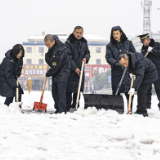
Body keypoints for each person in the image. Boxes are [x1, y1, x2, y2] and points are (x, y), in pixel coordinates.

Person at [118, 52, 158, 117]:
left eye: (125, 63)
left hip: (150, 74)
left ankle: (143, 111)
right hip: (144, 74)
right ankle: (139, 109)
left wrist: (134, 88)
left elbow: (140, 75)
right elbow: (131, 67)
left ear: (127, 58)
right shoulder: (130, 60)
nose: (125, 66)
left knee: (141, 91)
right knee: (140, 90)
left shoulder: (138, 62)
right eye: (123, 65)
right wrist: (130, 72)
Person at [106, 26, 136, 99]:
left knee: (129, 92)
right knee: (116, 92)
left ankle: (129, 109)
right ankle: (116, 109)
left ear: (121, 33)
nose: (115, 36)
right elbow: (108, 57)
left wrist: (129, 62)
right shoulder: (110, 46)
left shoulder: (128, 43)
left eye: (117, 33)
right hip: (116, 72)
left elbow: (134, 54)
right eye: (114, 34)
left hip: (127, 72)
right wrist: (115, 63)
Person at [65, 26, 90, 111]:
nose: (79, 34)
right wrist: (74, 68)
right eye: (77, 33)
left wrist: (86, 58)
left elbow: (87, 53)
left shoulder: (84, 42)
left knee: (78, 89)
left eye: (80, 33)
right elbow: (68, 57)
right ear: (73, 32)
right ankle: (67, 106)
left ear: (82, 33)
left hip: (80, 69)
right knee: (68, 90)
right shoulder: (68, 43)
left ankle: (75, 105)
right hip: (70, 70)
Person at [44, 34, 71, 114]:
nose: (48, 46)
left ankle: (62, 110)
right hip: (56, 72)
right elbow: (50, 61)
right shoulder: (52, 48)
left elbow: (57, 64)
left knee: (60, 91)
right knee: (54, 91)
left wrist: (49, 73)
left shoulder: (61, 49)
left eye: (49, 44)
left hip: (63, 71)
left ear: (54, 41)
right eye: (46, 45)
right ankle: (58, 108)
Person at [137, 33, 160, 109]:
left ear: (147, 39)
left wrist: (153, 51)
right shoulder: (143, 48)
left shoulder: (157, 45)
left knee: (158, 88)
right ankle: (147, 105)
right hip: (148, 72)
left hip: (157, 70)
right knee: (147, 89)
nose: (142, 43)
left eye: (143, 41)